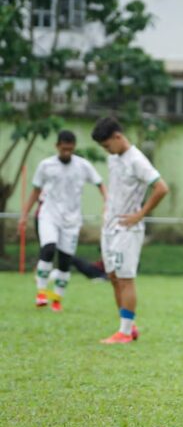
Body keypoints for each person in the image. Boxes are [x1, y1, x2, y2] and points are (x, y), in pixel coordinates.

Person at [91, 117, 169, 344]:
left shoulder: (137, 160)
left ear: (118, 136)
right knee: (114, 277)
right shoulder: (114, 158)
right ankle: (128, 327)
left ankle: (124, 333)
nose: (107, 150)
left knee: (126, 278)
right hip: (110, 226)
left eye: (107, 145)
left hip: (128, 229)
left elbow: (161, 188)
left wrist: (140, 214)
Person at [18, 130, 105, 311]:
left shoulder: (83, 166)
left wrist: (107, 203)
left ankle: (56, 299)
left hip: (72, 220)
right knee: (48, 249)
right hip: (49, 214)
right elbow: (35, 190)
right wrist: (24, 215)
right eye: (64, 149)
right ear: (57, 146)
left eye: (70, 149)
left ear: (73, 148)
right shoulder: (46, 165)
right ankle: (41, 293)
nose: (66, 152)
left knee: (65, 261)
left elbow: (100, 183)